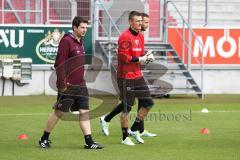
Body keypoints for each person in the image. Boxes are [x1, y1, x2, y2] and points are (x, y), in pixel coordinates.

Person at [38, 16, 103, 149]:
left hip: (81, 85)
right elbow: (59, 64)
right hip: (68, 86)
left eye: (86, 27)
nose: (85, 30)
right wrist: (62, 84)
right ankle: (44, 139)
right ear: (75, 27)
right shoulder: (66, 41)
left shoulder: (81, 41)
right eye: (82, 27)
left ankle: (89, 141)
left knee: (84, 112)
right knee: (59, 112)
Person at [100, 12, 157, 138]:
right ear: (130, 22)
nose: (140, 23)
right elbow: (123, 57)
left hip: (137, 75)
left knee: (148, 103)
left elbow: (140, 54)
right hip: (125, 76)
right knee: (127, 106)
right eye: (137, 21)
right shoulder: (124, 37)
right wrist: (140, 59)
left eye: (141, 21)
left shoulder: (141, 36)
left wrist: (147, 57)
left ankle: (134, 128)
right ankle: (124, 134)